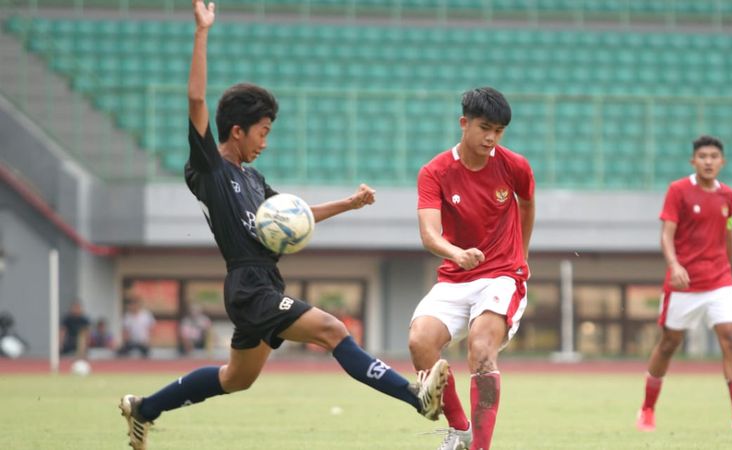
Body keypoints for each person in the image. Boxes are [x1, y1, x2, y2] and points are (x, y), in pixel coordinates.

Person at [118, 2, 449, 448]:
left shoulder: (253, 179)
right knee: (334, 330)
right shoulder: (210, 169)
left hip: (262, 282)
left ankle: (143, 409)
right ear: (237, 130)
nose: (265, 142)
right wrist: (202, 31)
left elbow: (299, 217)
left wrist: (349, 204)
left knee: (236, 378)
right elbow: (196, 100)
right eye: (263, 131)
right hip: (248, 284)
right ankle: (415, 396)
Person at [408, 87, 536, 450]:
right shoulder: (435, 172)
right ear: (464, 124)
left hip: (502, 275)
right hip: (455, 275)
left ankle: (479, 448)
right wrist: (456, 252)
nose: (491, 137)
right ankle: (460, 428)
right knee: (420, 343)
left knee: (481, 351)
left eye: (499, 130)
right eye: (484, 128)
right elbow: (429, 234)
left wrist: (521, 256)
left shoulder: (515, 166)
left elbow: (527, 204)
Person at [636, 136, 732, 432]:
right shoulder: (678, 190)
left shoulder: (728, 197)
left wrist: (726, 269)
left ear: (722, 162)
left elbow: (727, 233)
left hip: (719, 280)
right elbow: (667, 234)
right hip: (684, 283)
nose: (708, 161)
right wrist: (674, 265)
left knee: (731, 338)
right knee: (669, 344)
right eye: (702, 156)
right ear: (693, 161)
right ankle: (647, 409)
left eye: (714, 156)